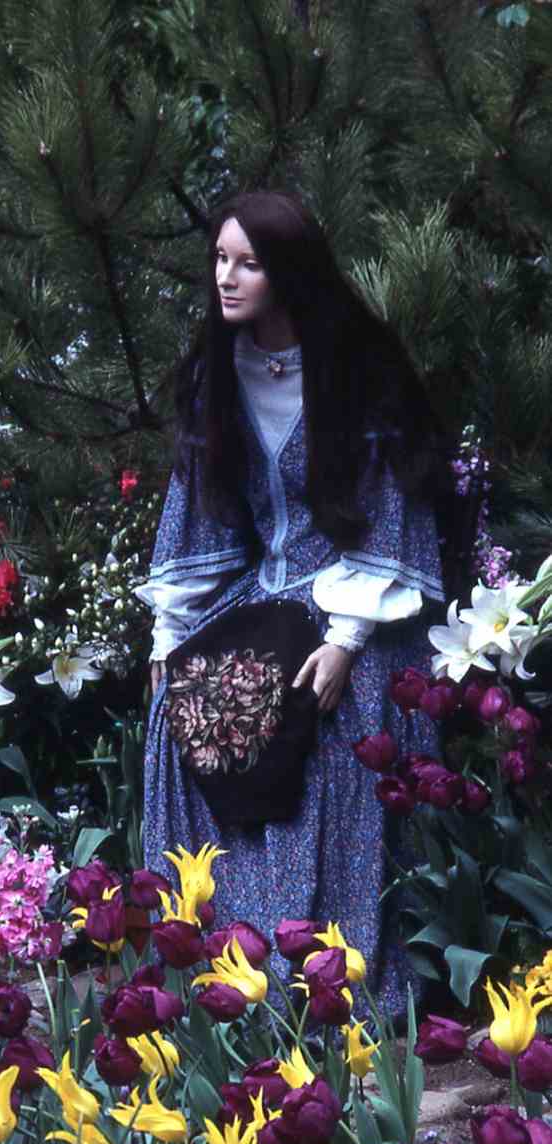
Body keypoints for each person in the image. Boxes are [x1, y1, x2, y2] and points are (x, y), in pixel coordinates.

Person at [137, 190, 447, 1017]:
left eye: (249, 262)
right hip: (259, 584)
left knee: (337, 704)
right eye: (220, 259)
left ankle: (325, 969)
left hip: (357, 593)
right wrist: (170, 637)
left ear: (290, 272)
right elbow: (196, 511)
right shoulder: (219, 371)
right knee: (185, 694)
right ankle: (214, 958)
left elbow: (387, 515)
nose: (227, 277)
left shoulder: (356, 372)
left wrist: (346, 637)